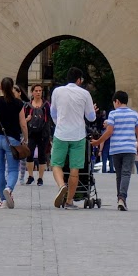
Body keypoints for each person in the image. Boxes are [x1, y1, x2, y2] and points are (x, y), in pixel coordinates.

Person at [49, 68, 97, 208]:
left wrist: (59, 123)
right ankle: (69, 200)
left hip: (61, 133)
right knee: (75, 169)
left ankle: (61, 185)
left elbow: (53, 112)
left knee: (56, 164)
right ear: (79, 80)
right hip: (78, 135)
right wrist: (92, 110)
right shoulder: (85, 93)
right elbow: (91, 117)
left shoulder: (57, 91)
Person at [94, 91, 138, 211]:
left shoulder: (113, 114)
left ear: (117, 101)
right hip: (129, 148)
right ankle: (122, 198)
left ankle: (119, 198)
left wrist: (97, 142)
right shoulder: (135, 115)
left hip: (116, 149)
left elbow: (109, 132)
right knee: (126, 173)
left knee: (119, 174)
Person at [0, 76, 26, 208]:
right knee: (13, 169)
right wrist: (26, 138)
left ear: (0, 87)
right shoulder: (19, 104)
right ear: (12, 88)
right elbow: (23, 124)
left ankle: (2, 200)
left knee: (0, 170)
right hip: (12, 140)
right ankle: (9, 189)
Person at [22, 83, 52, 185]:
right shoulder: (27, 105)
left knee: (42, 155)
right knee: (29, 154)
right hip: (31, 133)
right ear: (32, 92)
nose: (38, 92)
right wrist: (27, 119)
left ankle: (40, 178)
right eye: (36, 91)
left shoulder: (46, 105)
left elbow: (50, 119)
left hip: (43, 133)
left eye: (40, 91)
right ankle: (30, 176)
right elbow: (22, 120)